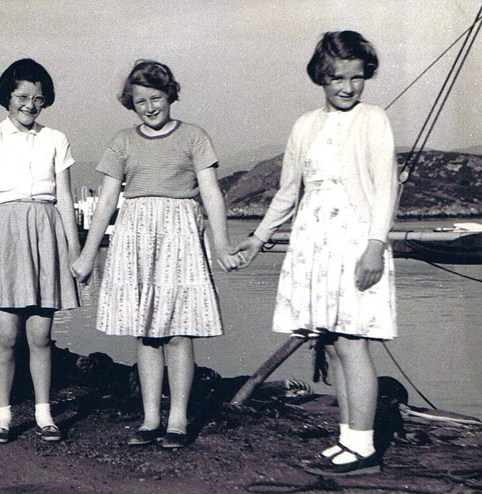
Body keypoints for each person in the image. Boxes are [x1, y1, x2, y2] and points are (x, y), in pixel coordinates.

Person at [232, 31, 399, 476]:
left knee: (352, 341)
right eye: (337, 78)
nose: (348, 87)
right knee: (333, 339)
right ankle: (347, 439)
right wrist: (257, 238)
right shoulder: (304, 125)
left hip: (355, 242)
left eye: (357, 77)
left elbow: (387, 188)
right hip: (313, 243)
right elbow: (288, 193)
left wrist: (375, 246)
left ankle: (363, 450)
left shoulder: (373, 119)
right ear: (321, 77)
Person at [71, 60, 237, 449]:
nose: (149, 107)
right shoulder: (122, 141)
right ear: (131, 103)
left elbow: (211, 192)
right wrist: (86, 254)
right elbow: (107, 200)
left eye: (156, 98)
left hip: (181, 233)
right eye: (140, 100)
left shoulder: (195, 137)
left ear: (170, 95)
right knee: (145, 332)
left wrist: (222, 244)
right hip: (135, 236)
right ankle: (149, 418)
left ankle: (177, 419)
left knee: (178, 330)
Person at [0, 59, 81, 444]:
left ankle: (44, 414)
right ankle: (2, 416)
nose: (30, 105)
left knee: (41, 336)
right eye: (22, 97)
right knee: (5, 335)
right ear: (7, 97)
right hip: (4, 232)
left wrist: (75, 251)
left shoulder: (56, 139)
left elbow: (65, 198)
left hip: (47, 230)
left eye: (38, 98)